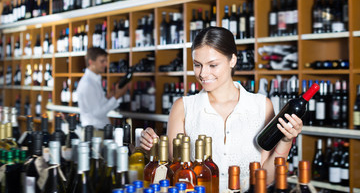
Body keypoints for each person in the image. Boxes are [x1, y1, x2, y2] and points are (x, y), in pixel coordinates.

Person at [140, 27, 303, 192]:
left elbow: (266, 178)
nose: (203, 73)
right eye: (197, 65)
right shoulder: (183, 107)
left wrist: (285, 141)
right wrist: (151, 149)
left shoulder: (261, 106)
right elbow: (175, 173)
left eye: (212, 65)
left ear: (232, 60)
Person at [77, 47, 128, 131]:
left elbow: (98, 105)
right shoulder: (88, 84)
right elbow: (97, 113)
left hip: (97, 130)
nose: (106, 64)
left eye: (106, 61)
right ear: (91, 62)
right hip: (94, 132)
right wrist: (117, 96)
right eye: (102, 61)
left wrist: (110, 96)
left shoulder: (94, 80)